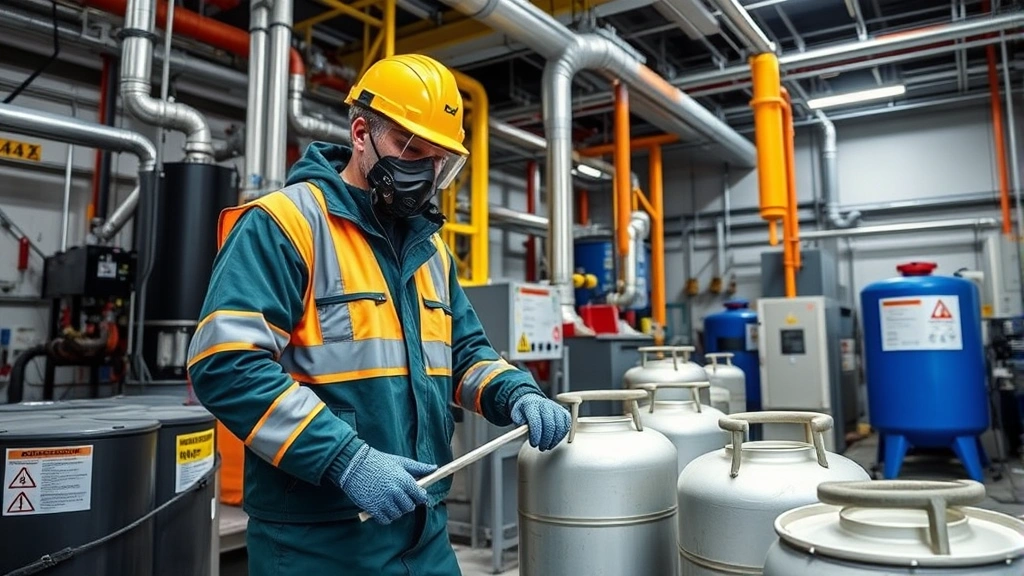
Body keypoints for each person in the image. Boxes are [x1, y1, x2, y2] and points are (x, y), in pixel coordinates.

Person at [186, 54, 572, 575]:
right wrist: (345, 459)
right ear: (362, 133)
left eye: (439, 159)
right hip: (319, 541)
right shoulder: (285, 224)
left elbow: (465, 353)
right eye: (411, 149)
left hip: (423, 526)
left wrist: (516, 392)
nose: (425, 171)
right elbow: (225, 364)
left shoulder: (429, 251)